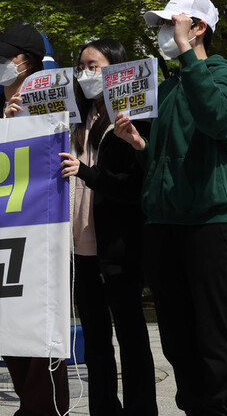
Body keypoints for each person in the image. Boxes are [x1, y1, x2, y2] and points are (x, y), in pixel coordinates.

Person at [114, 0, 227, 415]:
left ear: (197, 27)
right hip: (164, 223)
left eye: (171, 25)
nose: (164, 34)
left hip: (209, 223)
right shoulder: (167, 87)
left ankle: (217, 410)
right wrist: (139, 144)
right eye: (163, 27)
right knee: (175, 334)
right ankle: (193, 407)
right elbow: (165, 158)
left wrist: (188, 55)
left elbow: (218, 120)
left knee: (213, 333)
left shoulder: (219, 71)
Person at [58, 39, 157, 415]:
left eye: (95, 66)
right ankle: (103, 408)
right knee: (96, 340)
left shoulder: (133, 118)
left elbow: (132, 188)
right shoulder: (76, 117)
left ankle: (141, 409)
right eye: (81, 66)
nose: (87, 73)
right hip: (79, 246)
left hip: (118, 244)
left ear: (116, 69)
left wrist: (86, 172)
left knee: (131, 335)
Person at [0, 23, 71, 416]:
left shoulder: (55, 99)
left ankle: (46, 407)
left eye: (5, 58)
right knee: (7, 325)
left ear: (29, 63)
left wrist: (24, 125)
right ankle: (27, 403)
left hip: (39, 230)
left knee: (38, 324)